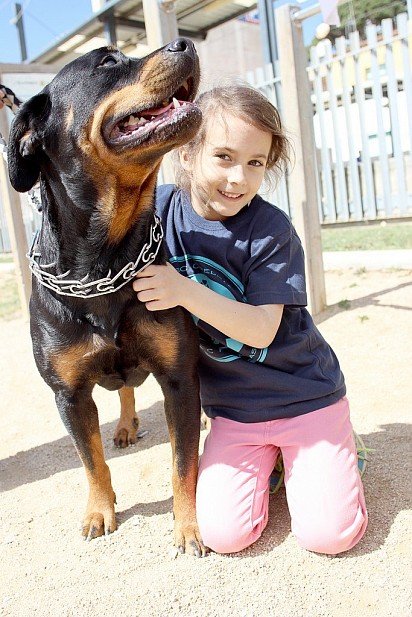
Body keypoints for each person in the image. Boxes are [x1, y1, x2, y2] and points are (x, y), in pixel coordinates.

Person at [133, 83, 368, 555]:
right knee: (224, 536)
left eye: (255, 163)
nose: (238, 177)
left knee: (329, 537)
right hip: (235, 412)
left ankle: (342, 446)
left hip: (304, 395)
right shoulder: (158, 213)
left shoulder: (270, 229)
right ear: (187, 154)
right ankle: (275, 463)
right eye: (223, 156)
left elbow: (262, 327)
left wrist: (183, 289)